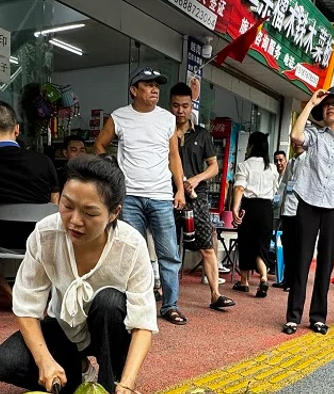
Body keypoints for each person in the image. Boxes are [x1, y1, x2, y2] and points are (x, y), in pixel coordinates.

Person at [0, 156, 157, 394]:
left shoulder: (131, 246)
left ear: (114, 213)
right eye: (67, 206)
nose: (75, 221)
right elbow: (27, 306)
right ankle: (77, 375)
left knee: (110, 301)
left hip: (108, 329)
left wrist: (128, 382)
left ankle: (109, 389)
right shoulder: (46, 234)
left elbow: (143, 322)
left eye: (90, 213)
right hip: (63, 328)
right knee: (7, 361)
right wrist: (44, 361)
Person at [94, 67, 187, 325]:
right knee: (133, 252)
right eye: (147, 84)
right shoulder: (119, 117)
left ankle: (170, 305)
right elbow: (99, 145)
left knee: (168, 253)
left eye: (157, 84)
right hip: (130, 196)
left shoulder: (168, 119)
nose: (155, 89)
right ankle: (135, 303)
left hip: (160, 195)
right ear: (134, 90)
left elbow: (173, 156)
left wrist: (179, 189)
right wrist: (111, 169)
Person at [285, 87, 334, 335]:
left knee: (326, 263)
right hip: (309, 201)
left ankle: (318, 316)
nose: (330, 107)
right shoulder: (314, 135)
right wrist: (311, 103)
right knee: (301, 260)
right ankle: (292, 316)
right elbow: (295, 136)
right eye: (326, 104)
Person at [0, 100, 60, 297]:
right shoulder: (43, 162)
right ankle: (47, 296)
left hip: (2, 238)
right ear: (17, 129)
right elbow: (56, 199)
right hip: (41, 236)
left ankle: (12, 296)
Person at [169, 82, 234, 311]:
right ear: (170, 105)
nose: (180, 110)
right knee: (167, 248)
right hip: (167, 197)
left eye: (185, 105)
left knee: (207, 246)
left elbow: (214, 167)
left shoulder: (202, 134)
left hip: (197, 198)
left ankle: (216, 294)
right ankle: (166, 296)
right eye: (176, 105)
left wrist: (195, 179)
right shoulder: (164, 131)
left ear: (190, 106)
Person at [230, 132, 279, 298]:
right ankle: (263, 278)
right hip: (266, 209)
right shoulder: (272, 168)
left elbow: (239, 188)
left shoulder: (245, 165)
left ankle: (244, 282)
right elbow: (275, 190)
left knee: (246, 243)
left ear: (251, 146)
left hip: (250, 208)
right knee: (262, 246)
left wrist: (235, 209)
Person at [272, 143, 306, 290]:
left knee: (297, 248)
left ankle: (294, 282)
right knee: (287, 247)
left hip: (298, 211)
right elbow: (284, 185)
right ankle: (286, 279)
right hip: (286, 210)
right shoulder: (291, 162)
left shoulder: (307, 160)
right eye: (294, 142)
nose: (296, 144)